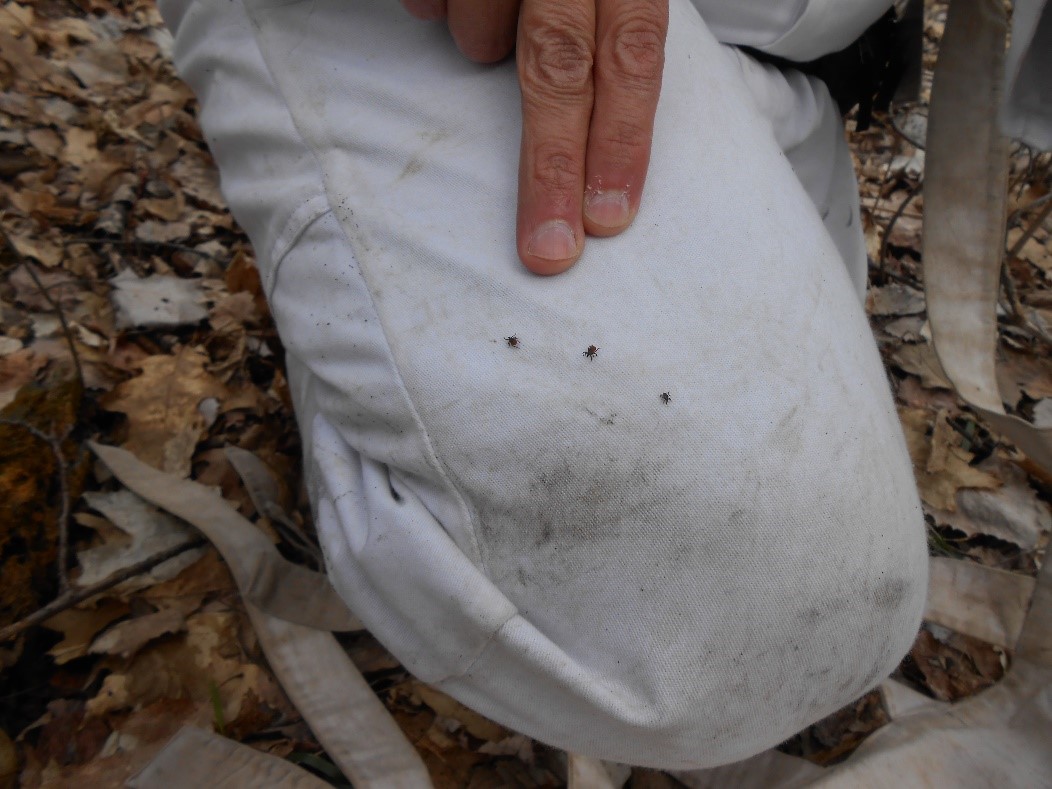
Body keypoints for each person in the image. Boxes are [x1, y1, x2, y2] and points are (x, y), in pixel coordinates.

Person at [158, 0, 930, 769]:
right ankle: (366, 332)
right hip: (445, 19)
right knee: (732, 598)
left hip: (803, 48)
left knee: (823, 501)